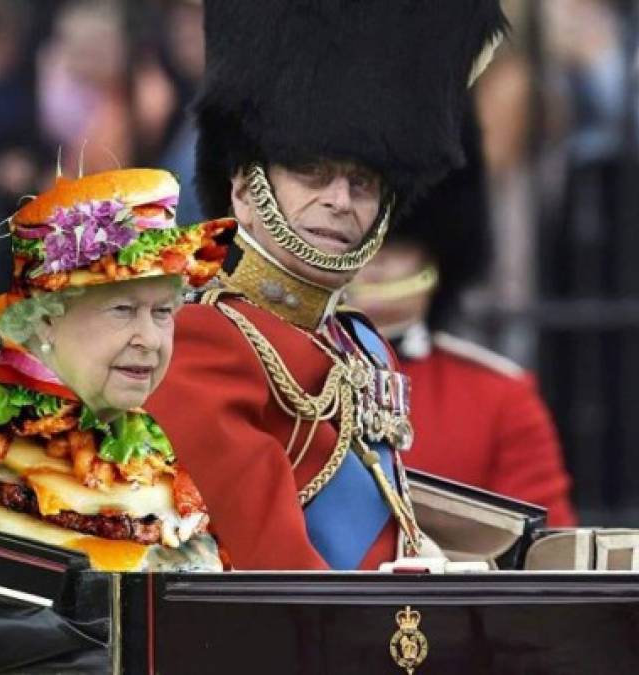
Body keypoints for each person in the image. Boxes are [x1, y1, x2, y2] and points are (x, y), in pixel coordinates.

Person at [146, 0, 508, 570]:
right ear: (244, 186)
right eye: (310, 172)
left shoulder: (361, 344)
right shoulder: (202, 341)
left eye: (361, 181)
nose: (340, 200)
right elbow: (276, 574)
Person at [0, 167, 236, 571]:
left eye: (163, 311)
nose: (149, 338)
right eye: (122, 310)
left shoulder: (204, 422)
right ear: (45, 319)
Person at [346, 111, 578, 527]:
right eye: (358, 246)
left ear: (437, 259)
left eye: (396, 248)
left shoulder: (499, 398)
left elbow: (545, 555)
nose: (373, 266)